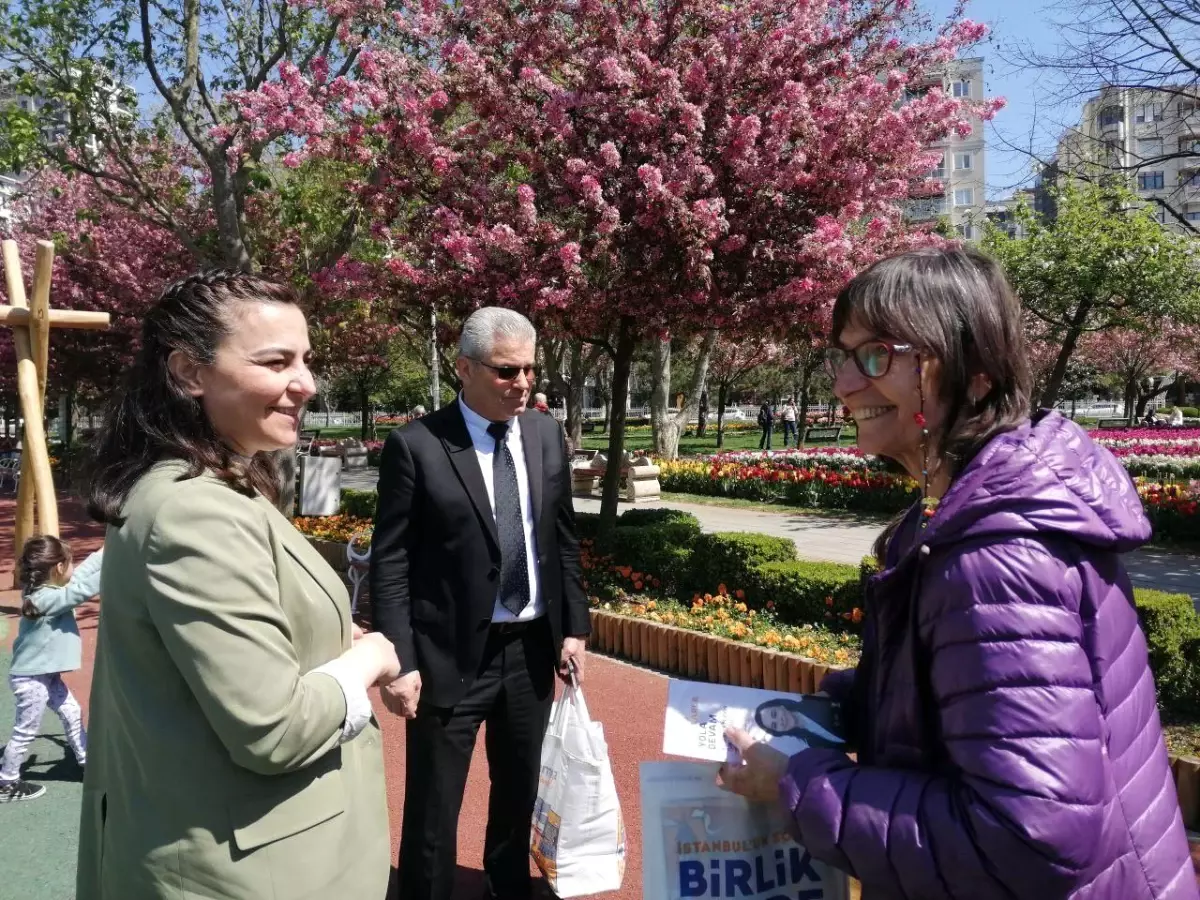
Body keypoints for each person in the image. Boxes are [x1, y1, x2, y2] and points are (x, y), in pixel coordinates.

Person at [718, 247, 1197, 900]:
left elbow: (1030, 835)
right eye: (846, 354)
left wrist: (800, 784)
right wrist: (848, 706)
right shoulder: (962, 508)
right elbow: (973, 696)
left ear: (971, 372)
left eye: (877, 356)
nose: (844, 383)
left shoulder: (996, 556)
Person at [77, 271, 398, 899]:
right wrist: (369, 660)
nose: (305, 383)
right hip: (248, 871)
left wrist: (342, 636)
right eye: (276, 361)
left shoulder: (210, 487)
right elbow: (274, 730)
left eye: (305, 360)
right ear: (189, 373)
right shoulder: (196, 511)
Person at [371, 306, 592, 900]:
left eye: (529, 369)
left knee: (519, 787)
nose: (521, 382)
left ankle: (506, 882)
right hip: (447, 655)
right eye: (505, 371)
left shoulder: (546, 434)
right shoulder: (416, 445)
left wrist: (575, 625)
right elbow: (390, 561)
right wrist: (400, 660)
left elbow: (561, 537)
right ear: (463, 368)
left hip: (531, 649)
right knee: (436, 801)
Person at [0, 536, 100, 802]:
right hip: (32, 681)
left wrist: (109, 550)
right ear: (57, 569)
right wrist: (118, 566)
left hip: (45, 675)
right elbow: (79, 589)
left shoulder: (43, 591)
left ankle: (87, 763)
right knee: (26, 730)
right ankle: (6, 781)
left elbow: (80, 576)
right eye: (69, 564)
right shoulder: (47, 600)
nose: (73, 567)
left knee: (72, 712)